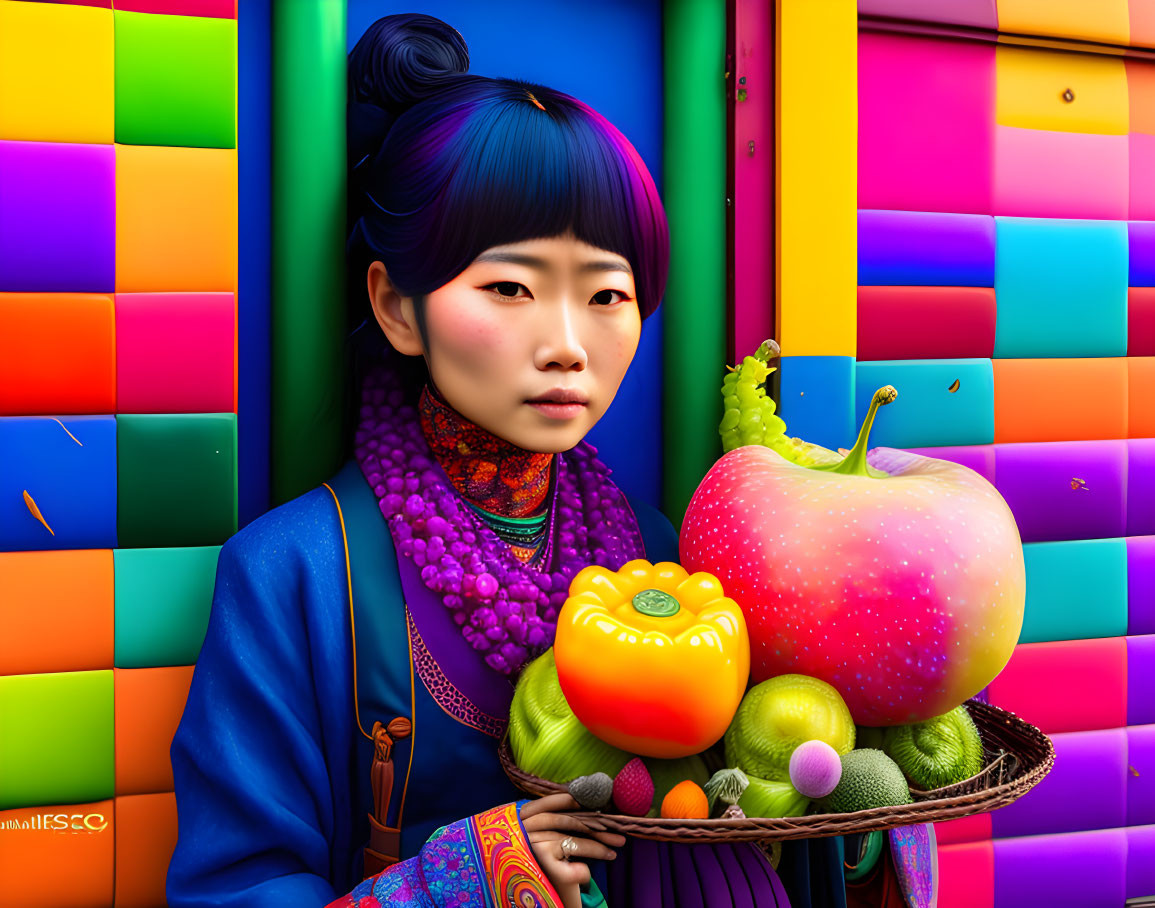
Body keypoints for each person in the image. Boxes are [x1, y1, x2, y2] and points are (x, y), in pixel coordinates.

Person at [167, 13, 838, 907]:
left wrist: (839, 808)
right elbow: (234, 887)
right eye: (510, 288)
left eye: (607, 293)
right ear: (398, 308)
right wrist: (471, 878)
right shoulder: (293, 575)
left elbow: (732, 803)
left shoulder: (658, 553)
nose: (566, 345)